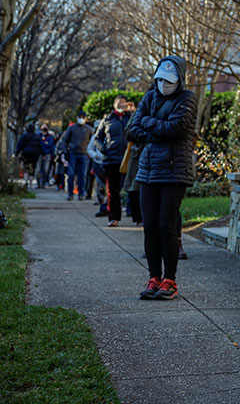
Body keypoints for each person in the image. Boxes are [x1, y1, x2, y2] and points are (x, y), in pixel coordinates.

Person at [126, 56, 198, 300]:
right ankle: (153, 277)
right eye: (160, 80)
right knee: (150, 227)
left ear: (179, 80)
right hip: (148, 171)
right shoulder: (149, 97)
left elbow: (176, 128)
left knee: (166, 226)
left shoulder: (187, 99)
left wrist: (147, 124)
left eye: (169, 81)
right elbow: (132, 130)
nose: (163, 85)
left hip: (174, 171)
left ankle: (170, 280)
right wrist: (155, 126)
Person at [92, 96, 132, 227]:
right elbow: (97, 138)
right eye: (119, 103)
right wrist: (104, 150)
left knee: (133, 188)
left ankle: (138, 216)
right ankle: (113, 217)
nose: (121, 105)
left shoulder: (131, 118)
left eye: (123, 103)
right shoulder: (107, 120)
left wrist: (134, 111)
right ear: (114, 105)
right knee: (112, 190)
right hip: (111, 159)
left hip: (128, 158)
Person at [57, 111, 94, 201]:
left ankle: (81, 193)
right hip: (73, 153)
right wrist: (65, 152)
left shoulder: (89, 129)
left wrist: (91, 153)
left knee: (83, 175)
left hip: (84, 154)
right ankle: (70, 193)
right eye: (80, 117)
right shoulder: (72, 128)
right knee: (71, 174)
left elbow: (93, 141)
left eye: (83, 117)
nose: (81, 119)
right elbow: (65, 140)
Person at [15, 124, 43, 190]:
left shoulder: (24, 136)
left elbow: (20, 145)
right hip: (35, 154)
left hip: (26, 153)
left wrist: (16, 153)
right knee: (33, 167)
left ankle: (26, 181)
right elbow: (40, 146)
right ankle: (30, 182)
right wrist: (43, 154)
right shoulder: (37, 136)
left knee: (26, 167)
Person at [37, 123, 55, 188]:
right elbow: (39, 144)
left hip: (47, 155)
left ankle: (43, 183)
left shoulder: (50, 137)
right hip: (40, 155)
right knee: (38, 169)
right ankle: (38, 183)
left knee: (45, 170)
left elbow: (50, 145)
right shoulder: (38, 136)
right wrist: (45, 143)